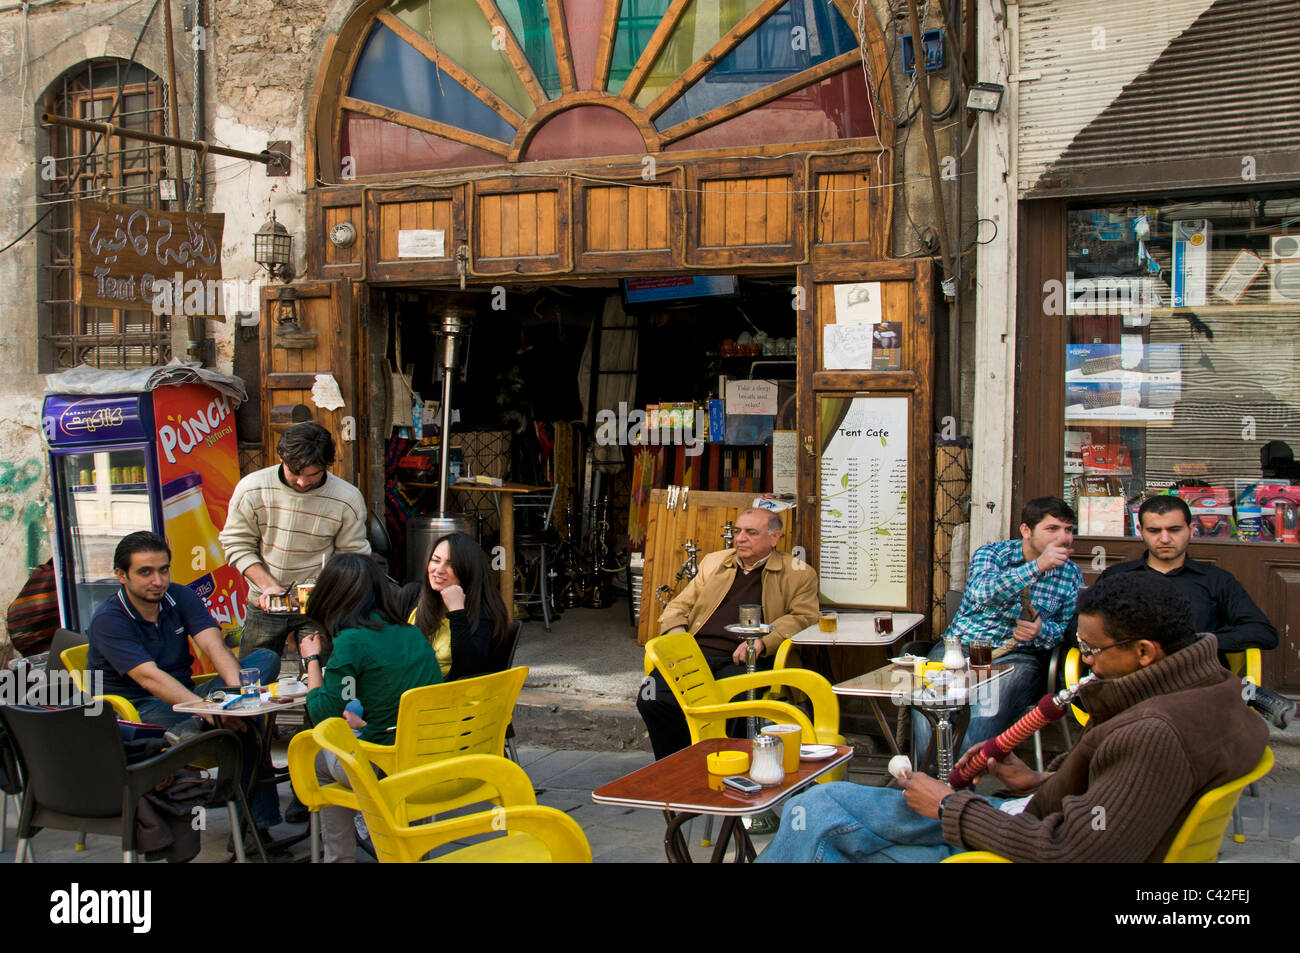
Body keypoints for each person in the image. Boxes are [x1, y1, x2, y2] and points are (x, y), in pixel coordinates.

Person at [758, 571, 1269, 862]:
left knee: (824, 812)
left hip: (1019, 845)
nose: (1084, 662)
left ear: (1144, 652)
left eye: (1091, 651)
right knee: (829, 820)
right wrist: (1042, 777)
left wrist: (947, 807)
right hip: (1031, 812)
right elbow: (1129, 792)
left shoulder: (1156, 730)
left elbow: (1072, 854)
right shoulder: (1220, 690)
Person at [86, 531, 283, 836]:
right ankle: (255, 831)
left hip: (187, 696)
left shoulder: (180, 596)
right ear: (121, 576)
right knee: (246, 730)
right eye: (146, 572)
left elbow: (215, 647)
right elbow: (148, 677)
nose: (158, 580)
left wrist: (237, 702)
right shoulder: (108, 619)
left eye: (163, 569)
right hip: (137, 712)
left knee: (265, 660)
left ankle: (205, 728)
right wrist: (209, 709)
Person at [637, 507, 818, 760]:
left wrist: (763, 643)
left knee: (734, 703)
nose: (740, 538)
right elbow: (680, 605)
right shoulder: (715, 562)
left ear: (774, 537)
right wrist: (679, 640)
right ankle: (678, 764)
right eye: (738, 531)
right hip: (694, 655)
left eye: (751, 532)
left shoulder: (798, 572)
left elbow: (804, 617)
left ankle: (728, 765)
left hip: (747, 658)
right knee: (652, 697)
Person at [298, 552, 442, 863]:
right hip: (425, 759)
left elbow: (322, 714)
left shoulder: (351, 641)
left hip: (380, 766)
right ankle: (414, 853)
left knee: (317, 760)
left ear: (330, 596)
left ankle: (339, 858)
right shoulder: (411, 633)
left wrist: (311, 659)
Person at [914, 497, 1082, 761]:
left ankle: (964, 786)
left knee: (986, 707)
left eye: (1069, 530)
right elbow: (982, 592)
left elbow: (1062, 629)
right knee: (931, 703)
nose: (1064, 537)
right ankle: (928, 778)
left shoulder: (1070, 574)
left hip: (1019, 657)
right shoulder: (991, 554)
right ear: (1026, 530)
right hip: (961, 648)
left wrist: (1040, 631)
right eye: (1053, 529)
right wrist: (1037, 567)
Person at [1101, 494, 1290, 726]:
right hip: (1134, 680)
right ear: (1140, 531)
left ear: (1191, 529)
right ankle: (1244, 693)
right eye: (1154, 531)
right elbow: (1078, 630)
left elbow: (1263, 633)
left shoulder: (1216, 580)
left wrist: (1200, 642)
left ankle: (1236, 692)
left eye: (1174, 529)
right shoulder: (1117, 578)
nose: (1165, 538)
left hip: (1197, 677)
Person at [220, 421, 370, 660]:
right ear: (281, 457)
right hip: (264, 601)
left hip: (319, 605)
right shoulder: (251, 488)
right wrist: (269, 586)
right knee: (255, 676)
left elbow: (352, 558)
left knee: (321, 675)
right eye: (295, 473)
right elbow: (236, 543)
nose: (302, 482)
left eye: (312, 475)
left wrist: (327, 591)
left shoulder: (347, 498)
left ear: (327, 465)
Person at [398, 532, 510, 681]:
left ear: (468, 570)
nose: (439, 570)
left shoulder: (484, 610)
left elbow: (468, 669)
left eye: (450, 564)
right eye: (435, 560)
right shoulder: (412, 594)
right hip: (405, 687)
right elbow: (387, 644)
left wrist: (457, 612)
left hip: (453, 695)